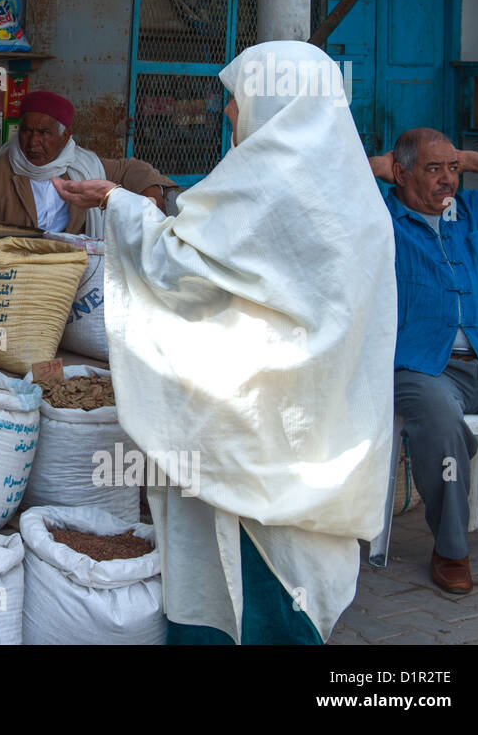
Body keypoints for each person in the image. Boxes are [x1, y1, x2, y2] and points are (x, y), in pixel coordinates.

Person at [57, 41, 396, 643]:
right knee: (298, 560)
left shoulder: (264, 185)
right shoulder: (357, 198)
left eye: (238, 102)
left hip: (247, 425)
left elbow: (178, 271)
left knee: (238, 568)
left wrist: (117, 202)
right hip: (320, 427)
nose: (231, 116)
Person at [368, 131, 478, 594]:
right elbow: (318, 186)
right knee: (442, 423)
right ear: (401, 175)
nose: (448, 180)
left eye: (454, 170)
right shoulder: (379, 218)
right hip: (425, 367)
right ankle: (451, 549)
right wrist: (378, 167)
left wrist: (474, 159)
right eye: (433, 169)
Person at [0, 91, 176, 236]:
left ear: (65, 137)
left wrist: (153, 196)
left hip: (71, 272)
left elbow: (134, 170)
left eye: (44, 133)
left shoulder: (81, 165)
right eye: (26, 131)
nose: (33, 142)